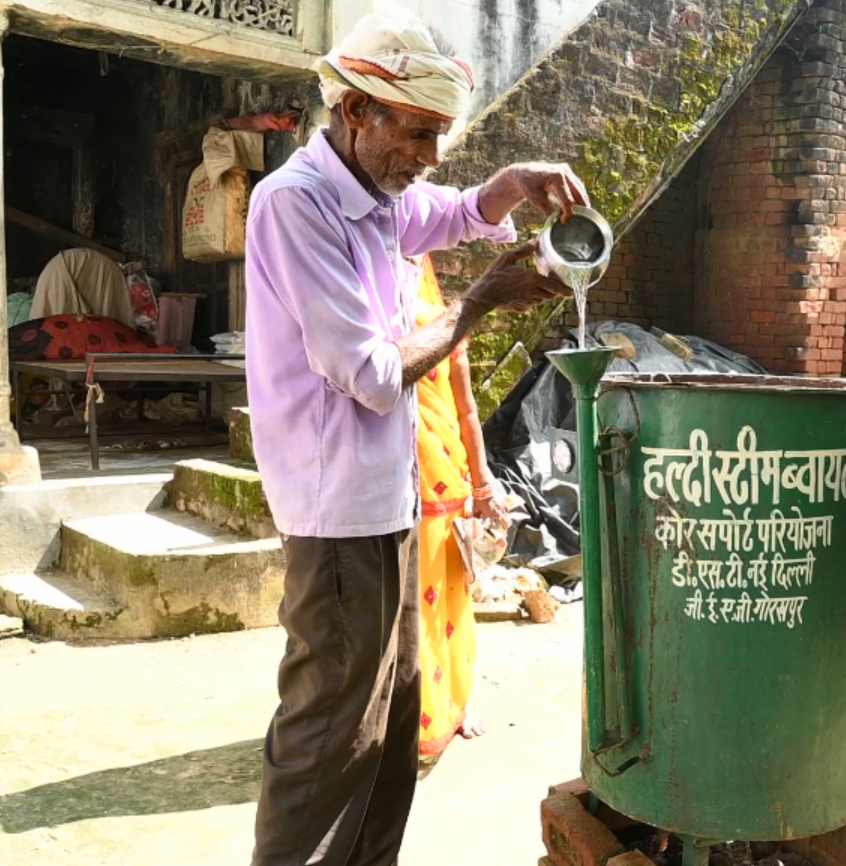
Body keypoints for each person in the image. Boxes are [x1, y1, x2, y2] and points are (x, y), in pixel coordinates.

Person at [242, 9, 588, 866]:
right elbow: (369, 372)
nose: (429, 157)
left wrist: (509, 183)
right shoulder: (297, 204)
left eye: (441, 136)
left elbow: (457, 210)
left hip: (385, 501)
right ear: (357, 110)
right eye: (420, 133)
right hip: (335, 514)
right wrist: (475, 306)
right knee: (327, 734)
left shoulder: (375, 193)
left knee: (393, 719)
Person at [406, 255, 506, 774]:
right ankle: (421, 717)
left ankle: (456, 704)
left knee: (450, 598)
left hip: (447, 474)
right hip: (400, 479)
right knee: (415, 607)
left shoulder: (446, 319)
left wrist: (483, 480)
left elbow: (467, 408)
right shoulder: (377, 312)